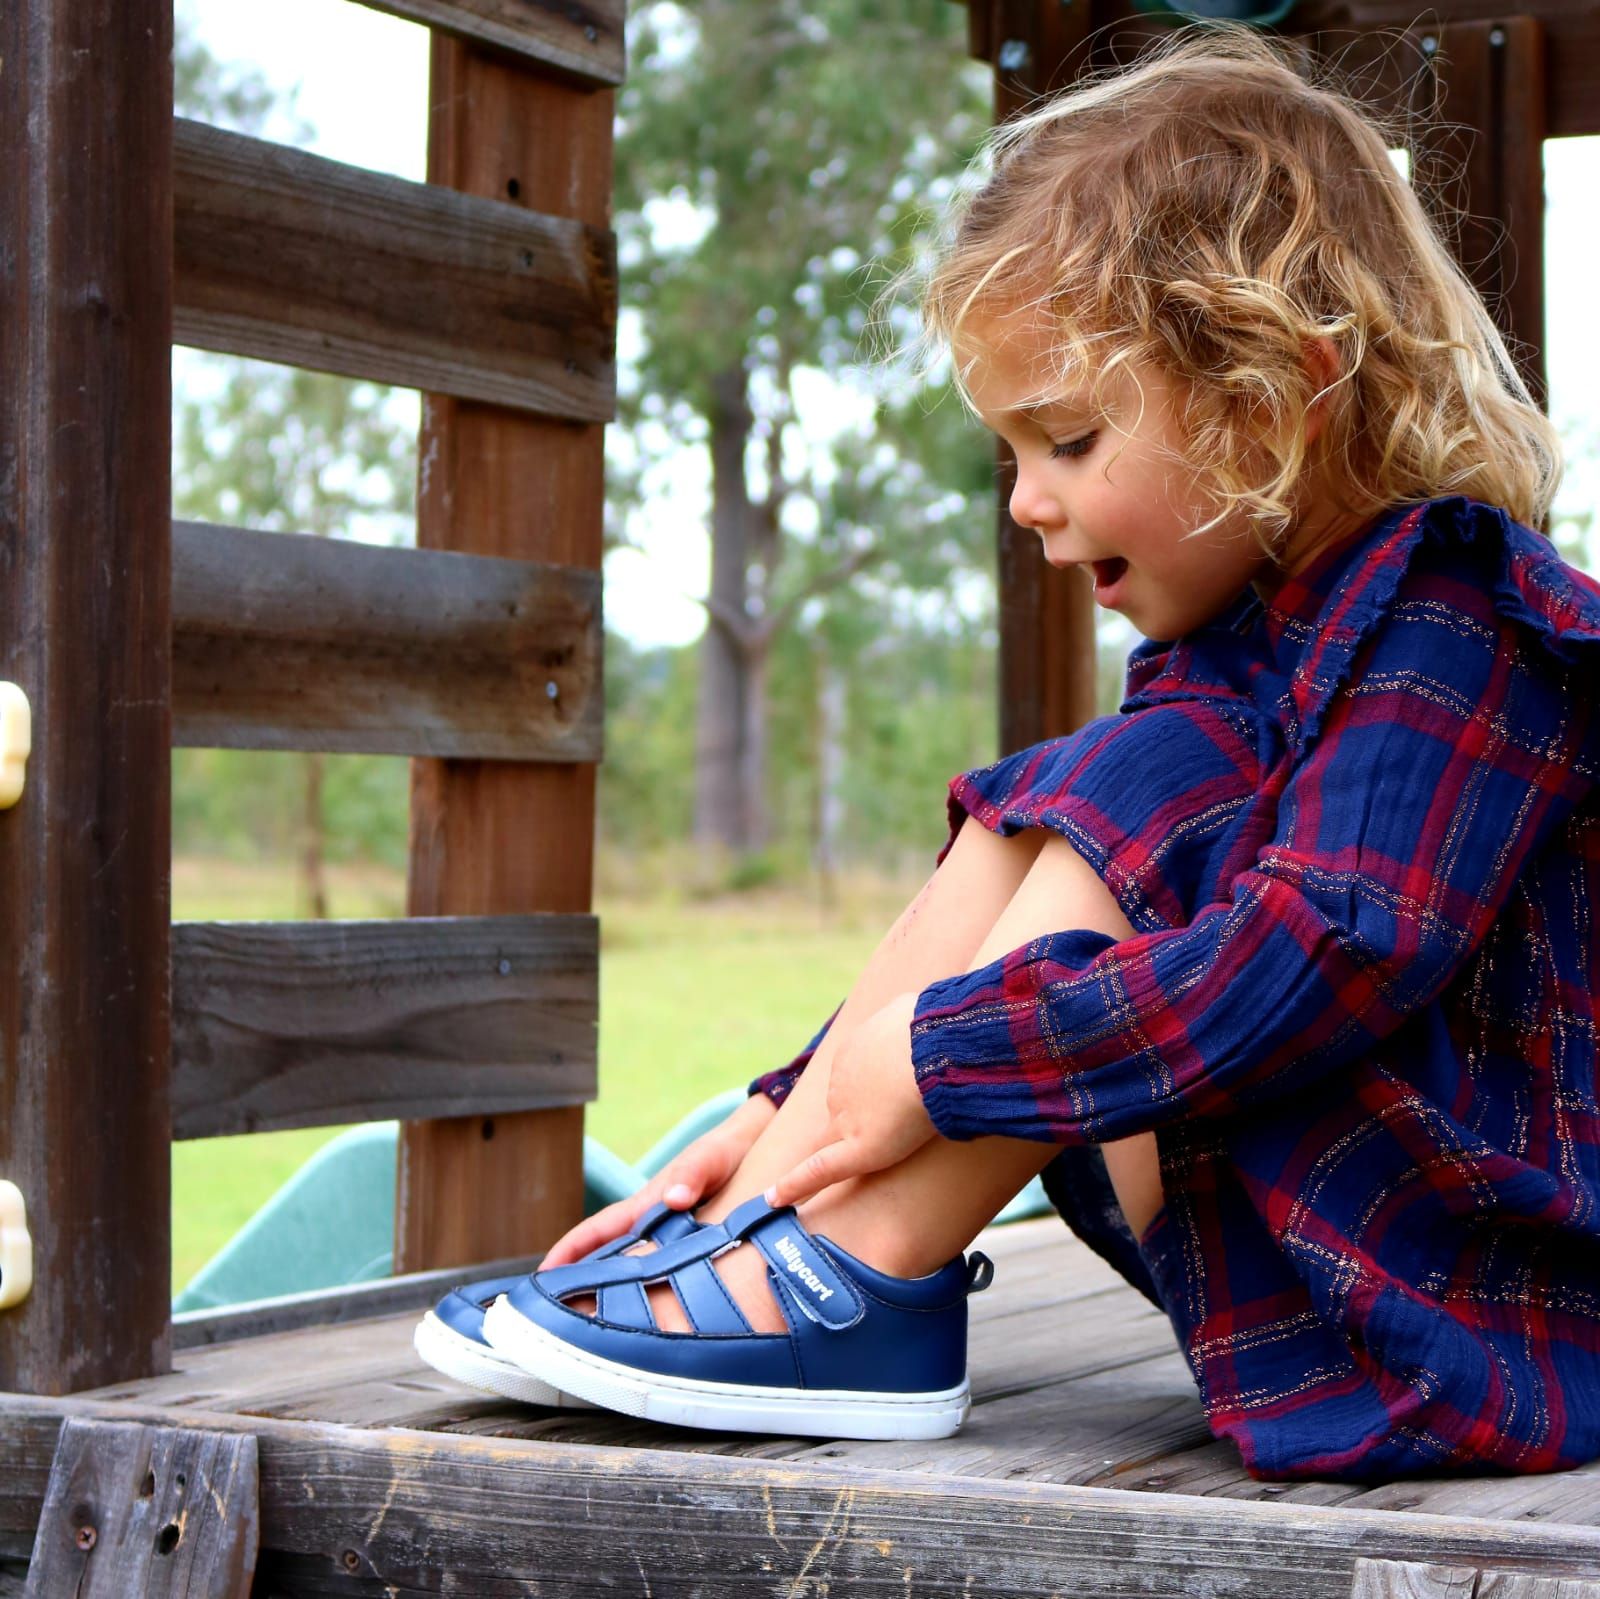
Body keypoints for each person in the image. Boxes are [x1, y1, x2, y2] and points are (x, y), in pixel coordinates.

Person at [524, 22, 1600, 1478]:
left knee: (1135, 783)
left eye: (1070, 441)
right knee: (1100, 779)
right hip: (1333, 1262)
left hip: (1496, 1315)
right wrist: (795, 1105)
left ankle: (837, 1285)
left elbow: (1330, 949)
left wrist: (941, 1060)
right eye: (1013, 454)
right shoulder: (1231, 662)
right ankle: (772, 1238)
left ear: (1277, 391)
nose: (1028, 503)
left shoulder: (1465, 616)